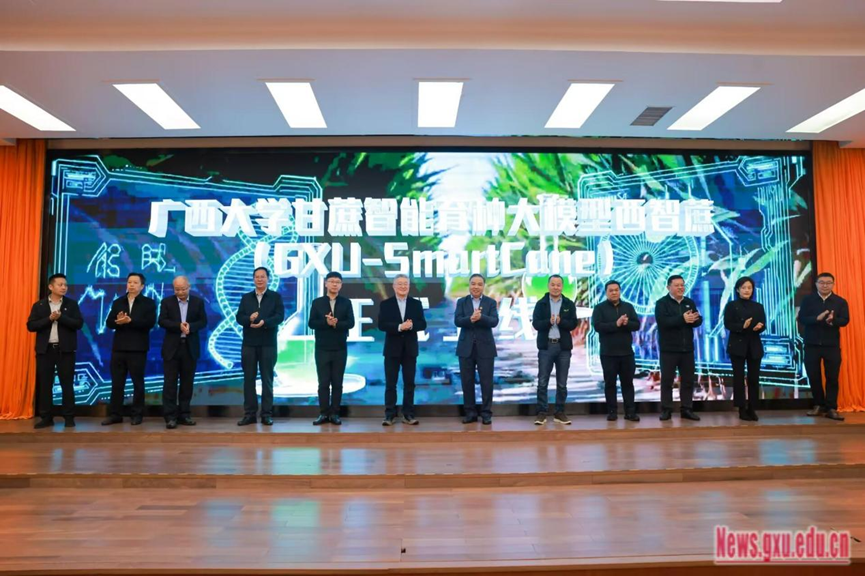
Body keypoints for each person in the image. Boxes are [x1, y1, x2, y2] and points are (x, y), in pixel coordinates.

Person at [26, 273, 84, 429]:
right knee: (45, 385)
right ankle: (46, 417)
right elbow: (31, 326)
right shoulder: (39, 305)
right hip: (45, 351)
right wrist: (49, 319)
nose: (64, 287)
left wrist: (60, 317)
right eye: (60, 285)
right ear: (51, 287)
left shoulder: (72, 304)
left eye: (65, 285)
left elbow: (78, 324)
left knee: (67, 384)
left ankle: (69, 417)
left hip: (65, 351)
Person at [102, 272, 156, 426]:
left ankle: (137, 414)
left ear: (142, 286)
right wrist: (118, 321)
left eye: (135, 282)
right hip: (119, 348)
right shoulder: (118, 302)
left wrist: (130, 321)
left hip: (138, 349)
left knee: (137, 383)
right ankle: (115, 414)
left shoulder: (149, 303)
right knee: (117, 383)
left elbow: (149, 323)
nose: (131, 285)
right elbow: (109, 323)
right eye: (129, 282)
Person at [235, 267, 285, 427]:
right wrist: (249, 319)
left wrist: (265, 322)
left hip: (268, 343)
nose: (260, 279)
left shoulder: (275, 297)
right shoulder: (246, 298)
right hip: (249, 344)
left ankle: (266, 414)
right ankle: (249, 414)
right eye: (257, 277)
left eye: (262, 277)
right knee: (248, 380)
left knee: (267, 379)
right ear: (253, 279)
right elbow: (239, 317)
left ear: (268, 279)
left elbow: (280, 316)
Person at [158, 276, 208, 429]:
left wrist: (190, 327)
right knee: (170, 384)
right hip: (172, 348)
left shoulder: (198, 302)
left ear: (189, 287)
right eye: (177, 289)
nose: (180, 292)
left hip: (189, 348)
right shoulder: (166, 302)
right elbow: (162, 321)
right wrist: (178, 326)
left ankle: (184, 414)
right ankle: (170, 416)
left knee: (187, 383)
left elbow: (203, 321)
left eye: (183, 289)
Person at [798, 272, 849, 421]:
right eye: (821, 282)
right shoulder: (808, 300)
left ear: (833, 284)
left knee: (832, 377)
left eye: (828, 283)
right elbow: (802, 318)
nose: (825, 285)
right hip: (811, 345)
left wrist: (834, 320)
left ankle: (831, 408)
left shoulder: (840, 301)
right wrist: (816, 318)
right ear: (816, 284)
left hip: (831, 345)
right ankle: (818, 405)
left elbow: (845, 320)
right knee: (814, 376)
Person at [378, 274, 427, 426]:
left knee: (409, 383)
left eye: (405, 284)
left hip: (410, 350)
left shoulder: (416, 304)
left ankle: (408, 414)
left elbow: (422, 324)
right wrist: (399, 327)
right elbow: (381, 325)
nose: (403, 286)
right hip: (392, 349)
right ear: (394, 286)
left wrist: (411, 326)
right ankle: (389, 415)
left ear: (409, 286)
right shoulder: (386, 304)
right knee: (390, 384)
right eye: (399, 284)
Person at [308, 271, 355, 426]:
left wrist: (336, 324)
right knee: (323, 383)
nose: (335, 284)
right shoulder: (317, 303)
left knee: (337, 382)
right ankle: (323, 413)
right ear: (326, 284)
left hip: (340, 347)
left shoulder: (346, 302)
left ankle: (335, 413)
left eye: (338, 282)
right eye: (332, 281)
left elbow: (351, 323)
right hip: (322, 347)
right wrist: (326, 322)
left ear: (341, 285)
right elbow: (311, 323)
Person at [531, 274, 578, 425]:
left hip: (563, 348)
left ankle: (559, 412)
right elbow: (536, 324)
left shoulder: (569, 304)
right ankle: (541, 412)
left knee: (562, 383)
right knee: (542, 381)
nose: (555, 287)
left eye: (558, 285)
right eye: (553, 284)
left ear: (562, 287)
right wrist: (549, 322)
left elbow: (573, 324)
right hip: (546, 347)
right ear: (548, 286)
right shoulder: (541, 304)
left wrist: (561, 321)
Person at [654, 274, 702, 422]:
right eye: (677, 285)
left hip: (687, 349)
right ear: (668, 287)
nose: (681, 287)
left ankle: (686, 409)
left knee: (688, 380)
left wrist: (696, 319)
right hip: (668, 349)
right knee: (667, 381)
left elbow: (696, 321)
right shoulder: (662, 303)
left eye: (682, 285)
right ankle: (666, 410)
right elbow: (663, 322)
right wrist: (683, 319)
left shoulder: (689, 302)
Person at [591, 280, 641, 422]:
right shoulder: (599, 308)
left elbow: (636, 325)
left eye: (616, 290)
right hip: (608, 353)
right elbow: (598, 327)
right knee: (610, 384)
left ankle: (630, 412)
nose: (614, 292)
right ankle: (612, 412)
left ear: (620, 291)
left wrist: (627, 323)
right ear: (606, 292)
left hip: (626, 353)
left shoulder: (628, 307)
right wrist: (616, 324)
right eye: (611, 290)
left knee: (628, 383)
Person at [455, 273, 499, 425]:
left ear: (483, 286)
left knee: (486, 382)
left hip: (485, 348)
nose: (476, 287)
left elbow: (494, 321)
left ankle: (486, 413)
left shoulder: (490, 302)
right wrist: (470, 319)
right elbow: (457, 321)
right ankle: (470, 413)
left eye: (479, 284)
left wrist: (481, 317)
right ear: (469, 285)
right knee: (467, 382)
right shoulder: (462, 302)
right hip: (465, 347)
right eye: (473, 283)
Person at [723, 276, 766, 421]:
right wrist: (742, 326)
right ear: (737, 290)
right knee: (738, 378)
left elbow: (763, 323)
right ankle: (741, 409)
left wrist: (760, 327)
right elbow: (728, 324)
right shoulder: (731, 305)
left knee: (754, 378)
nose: (747, 290)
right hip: (737, 346)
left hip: (754, 346)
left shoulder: (758, 306)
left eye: (749, 288)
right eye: (744, 288)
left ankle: (752, 408)